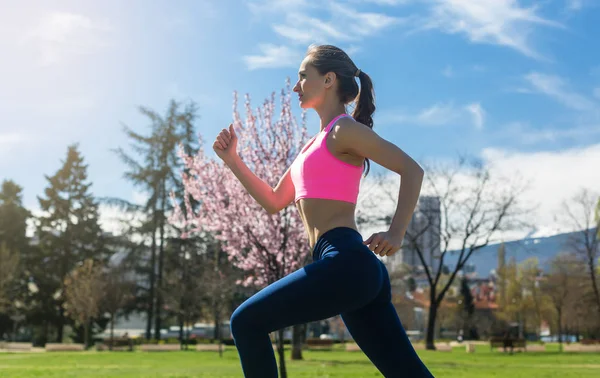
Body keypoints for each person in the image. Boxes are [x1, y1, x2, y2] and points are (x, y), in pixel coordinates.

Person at [213, 44, 434, 378]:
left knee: (245, 322)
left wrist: (396, 231)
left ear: (329, 79)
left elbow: (411, 169)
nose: (295, 86)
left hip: (345, 261)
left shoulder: (344, 130)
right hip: (350, 269)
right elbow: (274, 201)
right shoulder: (311, 146)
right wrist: (233, 161)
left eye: (304, 76)